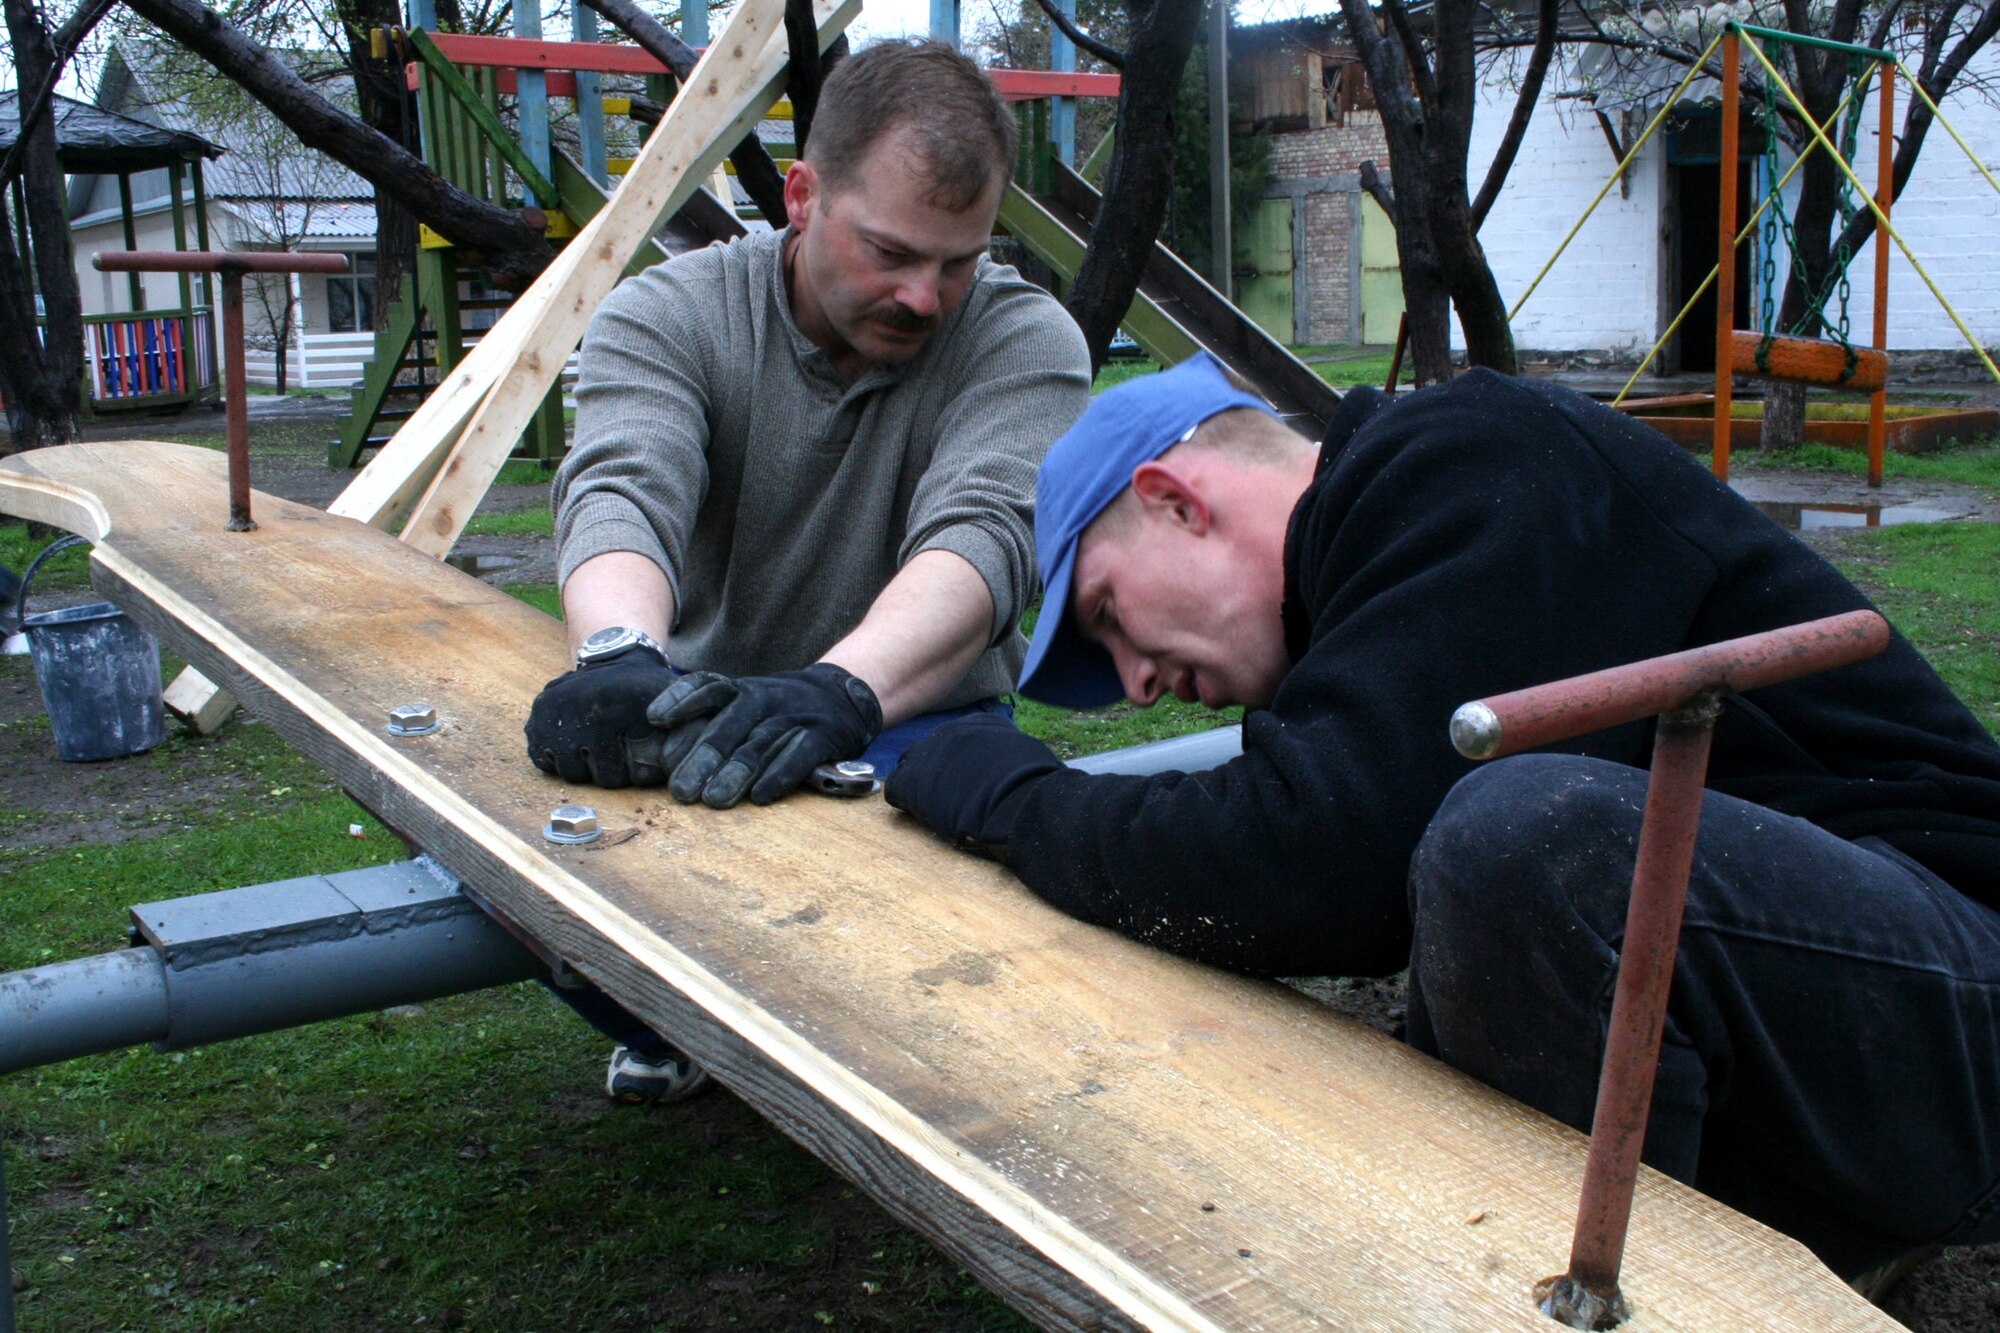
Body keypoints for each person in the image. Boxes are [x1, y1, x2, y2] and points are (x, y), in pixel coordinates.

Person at [884, 352, 2000, 1285]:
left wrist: (1015, 800)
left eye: (1109, 618)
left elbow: (1317, 856)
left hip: (1967, 987)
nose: (1131, 685)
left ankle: (1655, 1289)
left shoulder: (1469, 457)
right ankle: (1786, 1247)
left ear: (1176, 498)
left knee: (1522, 843)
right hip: (1859, 1021)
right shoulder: (1381, 561)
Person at [524, 39, 1092, 1103]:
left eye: (956, 261)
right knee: (491, 862)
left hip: (912, 727)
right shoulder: (668, 312)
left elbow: (984, 537)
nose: (924, 296)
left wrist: (841, 691)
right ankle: (664, 1017)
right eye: (889, 251)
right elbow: (620, 485)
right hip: (690, 717)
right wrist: (616, 655)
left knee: (924, 1027)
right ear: (801, 195)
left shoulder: (1025, 339)